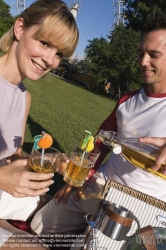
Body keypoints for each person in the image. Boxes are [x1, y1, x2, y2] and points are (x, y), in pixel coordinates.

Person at [30, 12, 166, 240]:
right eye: (141, 53)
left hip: (141, 204)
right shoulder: (127, 100)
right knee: (36, 229)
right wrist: (83, 176)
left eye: (154, 55)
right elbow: (101, 140)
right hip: (99, 184)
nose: (143, 62)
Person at [0, 0, 79, 248]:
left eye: (59, 54)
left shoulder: (24, 98)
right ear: (20, 28)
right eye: (45, 43)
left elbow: (12, 157)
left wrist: (50, 162)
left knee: (65, 218)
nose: (50, 60)